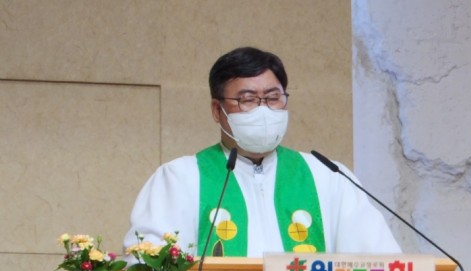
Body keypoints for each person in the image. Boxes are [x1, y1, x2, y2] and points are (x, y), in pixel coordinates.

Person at [123, 46, 401, 257]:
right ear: (217, 110)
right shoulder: (179, 179)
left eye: (273, 98)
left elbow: (379, 263)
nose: (263, 110)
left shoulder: (327, 177)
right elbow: (149, 266)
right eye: (247, 99)